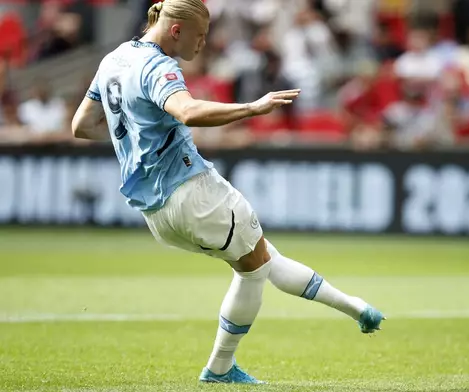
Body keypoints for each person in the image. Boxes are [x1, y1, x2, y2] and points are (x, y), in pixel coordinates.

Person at [70, 0, 384, 385]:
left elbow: (81, 125)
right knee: (255, 269)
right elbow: (187, 112)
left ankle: (356, 308)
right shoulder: (158, 66)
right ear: (175, 31)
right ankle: (220, 367)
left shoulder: (112, 60)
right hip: (191, 190)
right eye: (199, 36)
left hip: (155, 213)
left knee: (259, 256)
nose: (202, 44)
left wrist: (134, 131)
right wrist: (252, 108)